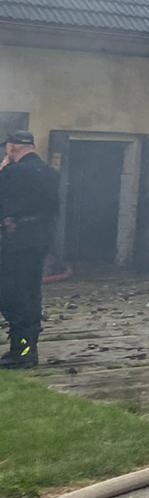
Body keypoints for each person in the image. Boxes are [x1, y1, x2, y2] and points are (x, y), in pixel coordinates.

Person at [0, 131, 60, 369]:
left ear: (12, 148)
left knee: (11, 296)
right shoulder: (50, 173)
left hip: (17, 242)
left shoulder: (13, 172)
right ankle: (26, 350)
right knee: (30, 295)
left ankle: (22, 353)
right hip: (40, 241)